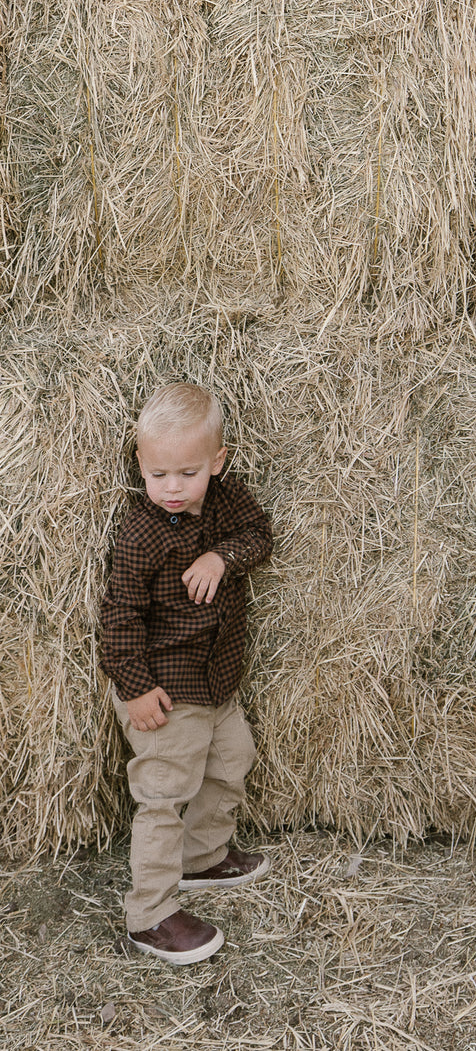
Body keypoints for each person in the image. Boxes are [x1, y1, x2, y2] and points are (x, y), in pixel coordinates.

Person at [101, 382, 274, 964]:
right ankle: (149, 914)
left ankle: (201, 858)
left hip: (217, 680)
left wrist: (221, 556)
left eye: (187, 473)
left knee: (231, 762)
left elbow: (260, 536)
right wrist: (134, 689)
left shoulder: (227, 500)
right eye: (157, 475)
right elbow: (119, 616)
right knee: (164, 794)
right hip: (164, 691)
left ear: (217, 463)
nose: (171, 488)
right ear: (141, 466)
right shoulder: (141, 532)